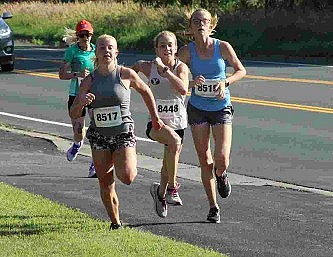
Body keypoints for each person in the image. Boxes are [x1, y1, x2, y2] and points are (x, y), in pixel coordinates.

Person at [70, 34, 164, 229]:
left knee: (128, 177)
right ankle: (116, 223)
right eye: (102, 48)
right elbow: (74, 113)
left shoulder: (125, 74)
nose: (107, 51)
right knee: (105, 184)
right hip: (99, 136)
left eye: (110, 47)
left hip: (123, 133)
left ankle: (117, 161)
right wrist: (81, 102)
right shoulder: (89, 80)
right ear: (96, 53)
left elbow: (146, 92)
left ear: (116, 52)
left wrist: (155, 117)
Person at [178, 8, 246, 223]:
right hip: (197, 108)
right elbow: (172, 75)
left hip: (221, 107)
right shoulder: (186, 52)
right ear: (190, 27)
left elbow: (240, 70)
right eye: (196, 21)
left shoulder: (222, 47)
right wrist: (190, 83)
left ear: (211, 25)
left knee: (221, 158)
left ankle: (222, 174)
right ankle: (213, 206)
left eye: (205, 21)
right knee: (204, 159)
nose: (201, 24)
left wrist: (225, 82)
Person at [131, 31, 189, 218]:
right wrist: (126, 85)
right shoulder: (149, 67)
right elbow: (135, 68)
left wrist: (166, 72)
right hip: (156, 123)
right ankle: (173, 189)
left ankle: (160, 194)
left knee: (168, 163)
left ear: (176, 48)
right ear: (156, 49)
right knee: (173, 142)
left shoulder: (181, 68)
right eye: (162, 46)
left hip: (178, 122)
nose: (167, 49)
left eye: (170, 45)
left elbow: (182, 90)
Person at [58, 20, 97, 178]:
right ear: (77, 36)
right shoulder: (72, 52)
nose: (84, 37)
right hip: (77, 95)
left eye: (87, 34)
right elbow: (61, 74)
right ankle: (77, 144)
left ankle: (94, 165)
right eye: (81, 35)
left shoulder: (97, 51)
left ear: (91, 35)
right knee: (79, 130)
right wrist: (77, 74)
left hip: (94, 95)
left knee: (97, 130)